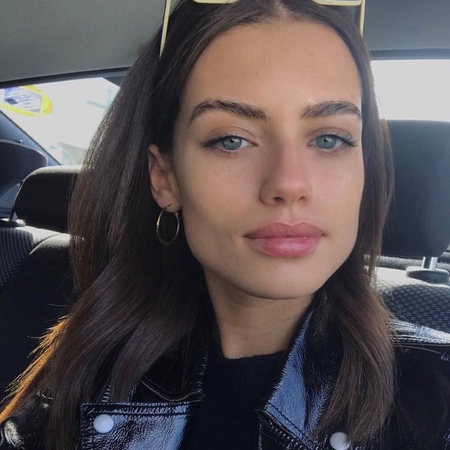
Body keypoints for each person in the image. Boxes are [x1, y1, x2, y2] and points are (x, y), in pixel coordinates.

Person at [1, 0, 450, 449]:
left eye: (330, 139)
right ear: (165, 178)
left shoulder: (437, 398)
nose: (288, 183)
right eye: (232, 140)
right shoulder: (84, 371)